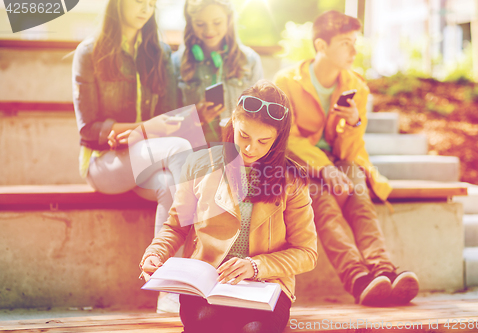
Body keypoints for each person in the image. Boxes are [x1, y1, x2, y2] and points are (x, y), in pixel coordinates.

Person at [140, 80, 317, 333]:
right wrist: (154, 254)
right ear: (233, 120)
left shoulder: (292, 180)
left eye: (263, 141)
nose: (250, 148)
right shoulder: (199, 164)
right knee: (206, 324)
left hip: (266, 286)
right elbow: (176, 227)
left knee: (254, 330)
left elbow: (307, 252)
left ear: (278, 140)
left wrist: (255, 266)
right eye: (244, 135)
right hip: (206, 285)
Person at [274, 10, 419, 306]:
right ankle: (357, 278)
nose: (354, 50)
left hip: (341, 163)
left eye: (355, 42)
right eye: (345, 43)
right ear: (321, 46)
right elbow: (288, 139)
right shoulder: (287, 82)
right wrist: (325, 169)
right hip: (301, 165)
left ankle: (383, 270)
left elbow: (350, 152)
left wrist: (353, 122)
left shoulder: (357, 87)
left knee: (359, 196)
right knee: (323, 204)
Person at [72, 0, 192, 271]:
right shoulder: (89, 52)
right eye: (139, 1)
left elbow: (170, 118)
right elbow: (88, 130)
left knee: (170, 183)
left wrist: (142, 132)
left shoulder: (159, 52)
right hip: (104, 163)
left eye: (151, 4)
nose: (146, 9)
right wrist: (139, 130)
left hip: (147, 160)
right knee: (179, 148)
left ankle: (169, 288)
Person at [172, 0, 264, 146]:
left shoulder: (250, 60)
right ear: (190, 23)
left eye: (217, 22)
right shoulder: (177, 62)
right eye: (200, 24)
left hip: (239, 153)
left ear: (229, 20)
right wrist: (195, 117)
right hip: (196, 153)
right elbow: (167, 121)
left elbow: (262, 116)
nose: (209, 31)